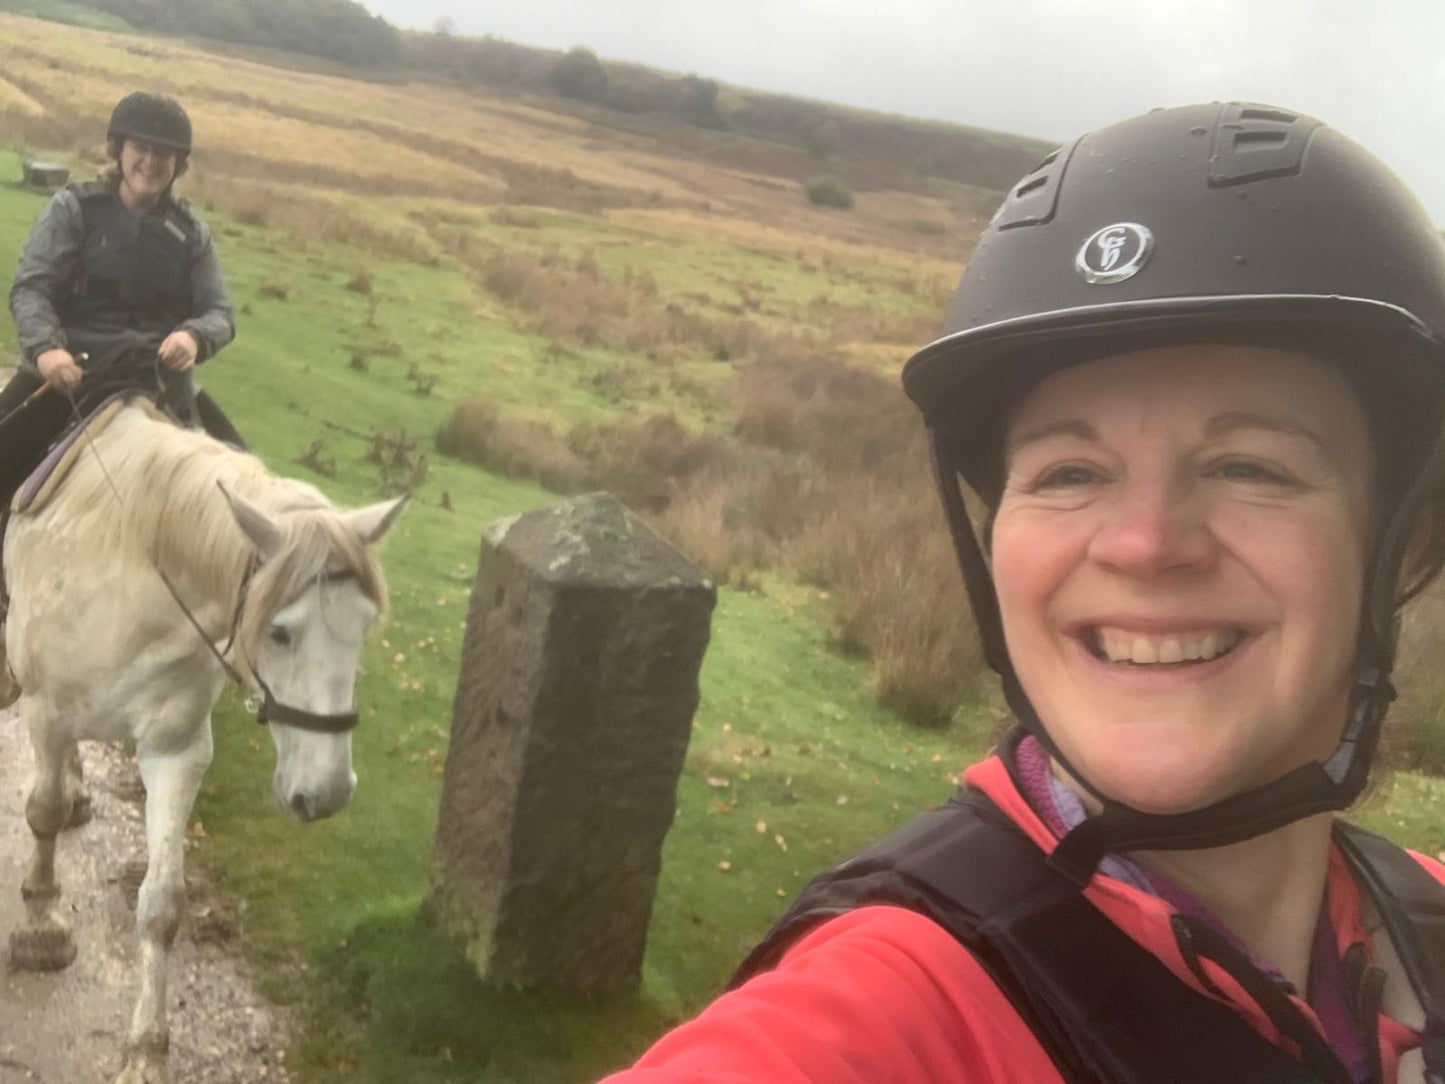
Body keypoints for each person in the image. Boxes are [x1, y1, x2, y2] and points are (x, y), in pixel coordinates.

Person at [602, 102, 1445, 1083]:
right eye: (1066, 473)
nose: (1141, 544)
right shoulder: (891, 1014)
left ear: (1403, 540)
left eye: (1246, 466)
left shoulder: (1419, 924)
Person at [3, 90, 243, 504]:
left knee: (246, 484)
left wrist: (194, 336)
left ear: (179, 165)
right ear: (119, 150)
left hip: (159, 385)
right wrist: (46, 351)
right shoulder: (73, 209)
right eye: (141, 149)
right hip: (71, 377)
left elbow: (219, 311)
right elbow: (31, 287)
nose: (149, 163)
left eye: (163, 154)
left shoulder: (191, 235)